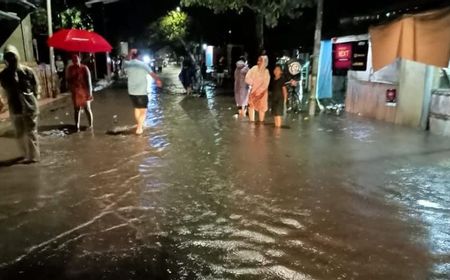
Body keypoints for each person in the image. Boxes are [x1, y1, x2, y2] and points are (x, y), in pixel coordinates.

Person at [0, 45, 40, 164]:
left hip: (30, 107)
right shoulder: (3, 75)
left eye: (13, 56)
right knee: (19, 133)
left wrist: (32, 98)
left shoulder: (27, 71)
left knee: (31, 132)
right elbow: (3, 89)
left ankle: (33, 157)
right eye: (8, 57)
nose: (11, 59)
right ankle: (24, 154)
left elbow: (36, 87)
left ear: (17, 56)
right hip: (15, 108)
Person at [124, 49, 162, 135]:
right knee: (143, 111)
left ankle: (139, 124)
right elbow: (152, 74)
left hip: (131, 92)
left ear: (132, 55)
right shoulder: (143, 65)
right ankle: (139, 128)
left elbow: (126, 59)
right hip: (141, 92)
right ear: (140, 56)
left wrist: (130, 52)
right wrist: (158, 80)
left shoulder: (128, 64)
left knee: (137, 108)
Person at [66, 53, 93, 132]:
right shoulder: (70, 69)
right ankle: (76, 125)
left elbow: (89, 81)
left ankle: (90, 125)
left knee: (87, 109)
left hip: (84, 91)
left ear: (79, 59)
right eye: (73, 60)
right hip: (76, 91)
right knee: (76, 109)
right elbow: (68, 80)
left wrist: (89, 93)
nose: (75, 61)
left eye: (76, 59)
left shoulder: (84, 68)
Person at [245, 55, 270, 123]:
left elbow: (265, 84)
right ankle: (251, 129)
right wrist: (253, 83)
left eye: (260, 61)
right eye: (258, 60)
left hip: (262, 95)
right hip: (253, 94)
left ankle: (261, 129)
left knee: (261, 111)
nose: (258, 62)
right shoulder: (254, 68)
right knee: (251, 110)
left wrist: (258, 92)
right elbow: (247, 78)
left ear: (265, 62)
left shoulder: (266, 72)